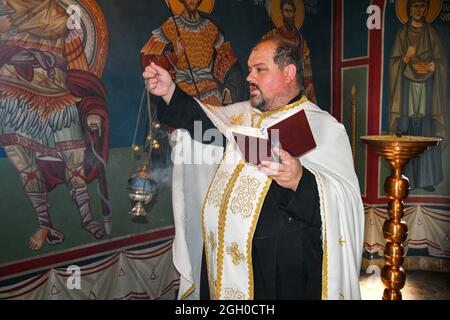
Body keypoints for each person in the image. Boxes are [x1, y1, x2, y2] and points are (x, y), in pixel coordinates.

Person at [143, 38, 364, 300]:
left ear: (288, 73)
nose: (249, 77)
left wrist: (299, 179)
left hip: (276, 269)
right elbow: (202, 123)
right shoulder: (242, 117)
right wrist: (169, 92)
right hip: (222, 258)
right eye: (249, 69)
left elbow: (342, 203)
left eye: (260, 69)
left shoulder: (323, 128)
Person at [0, 0, 109, 250]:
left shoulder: (62, 16)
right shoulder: (5, 11)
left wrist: (91, 109)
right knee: (25, 166)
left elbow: (80, 70)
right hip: (11, 98)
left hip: (57, 98)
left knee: (74, 157)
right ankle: (44, 224)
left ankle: (86, 218)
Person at [388, 0, 448, 190]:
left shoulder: (431, 33)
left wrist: (433, 66)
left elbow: (442, 63)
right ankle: (408, 178)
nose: (418, 10)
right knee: (408, 129)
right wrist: (407, 56)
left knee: (426, 130)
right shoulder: (401, 33)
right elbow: (394, 64)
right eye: (415, 6)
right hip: (407, 87)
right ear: (408, 9)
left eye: (422, 6)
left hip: (428, 88)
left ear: (427, 9)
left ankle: (426, 179)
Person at [141, 0, 244, 106]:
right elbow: (147, 59)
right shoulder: (171, 26)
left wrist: (229, 91)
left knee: (210, 121)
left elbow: (228, 61)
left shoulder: (211, 28)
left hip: (210, 91)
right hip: (183, 90)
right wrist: (175, 55)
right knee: (192, 121)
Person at [262, 0, 317, 103]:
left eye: (290, 11)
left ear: (294, 13)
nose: (288, 14)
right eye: (285, 11)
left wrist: (308, 86)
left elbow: (307, 72)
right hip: (276, 88)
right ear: (281, 13)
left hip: (295, 91)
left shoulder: (301, 41)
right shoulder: (272, 36)